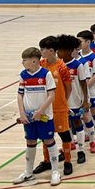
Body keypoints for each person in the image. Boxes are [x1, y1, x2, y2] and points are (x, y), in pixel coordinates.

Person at [13, 47, 63, 187]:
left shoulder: (46, 74)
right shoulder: (23, 75)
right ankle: (28, 172)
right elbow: (20, 94)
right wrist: (22, 113)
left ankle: (55, 171)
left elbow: (51, 95)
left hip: (44, 116)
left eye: (25, 60)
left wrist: (40, 111)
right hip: (29, 116)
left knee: (48, 140)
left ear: (34, 61)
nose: (23, 62)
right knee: (30, 141)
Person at [34, 37, 74, 178]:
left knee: (65, 135)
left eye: (42, 49)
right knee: (46, 136)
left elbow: (68, 87)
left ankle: (68, 161)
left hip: (59, 108)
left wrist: (63, 101)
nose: (41, 52)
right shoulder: (41, 64)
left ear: (51, 51)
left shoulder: (62, 67)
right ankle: (47, 161)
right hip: (45, 108)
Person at [58, 34, 91, 165]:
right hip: (61, 102)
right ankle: (68, 148)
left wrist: (85, 101)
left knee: (77, 124)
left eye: (60, 50)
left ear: (68, 50)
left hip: (76, 100)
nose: (58, 53)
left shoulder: (78, 65)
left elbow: (83, 84)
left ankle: (81, 150)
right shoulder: (57, 65)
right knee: (64, 127)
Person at [76, 30, 95, 152]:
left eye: (80, 41)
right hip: (81, 92)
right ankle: (87, 134)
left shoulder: (93, 58)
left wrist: (85, 86)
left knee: (94, 111)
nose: (78, 43)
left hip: (91, 91)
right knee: (83, 114)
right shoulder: (78, 56)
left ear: (88, 42)